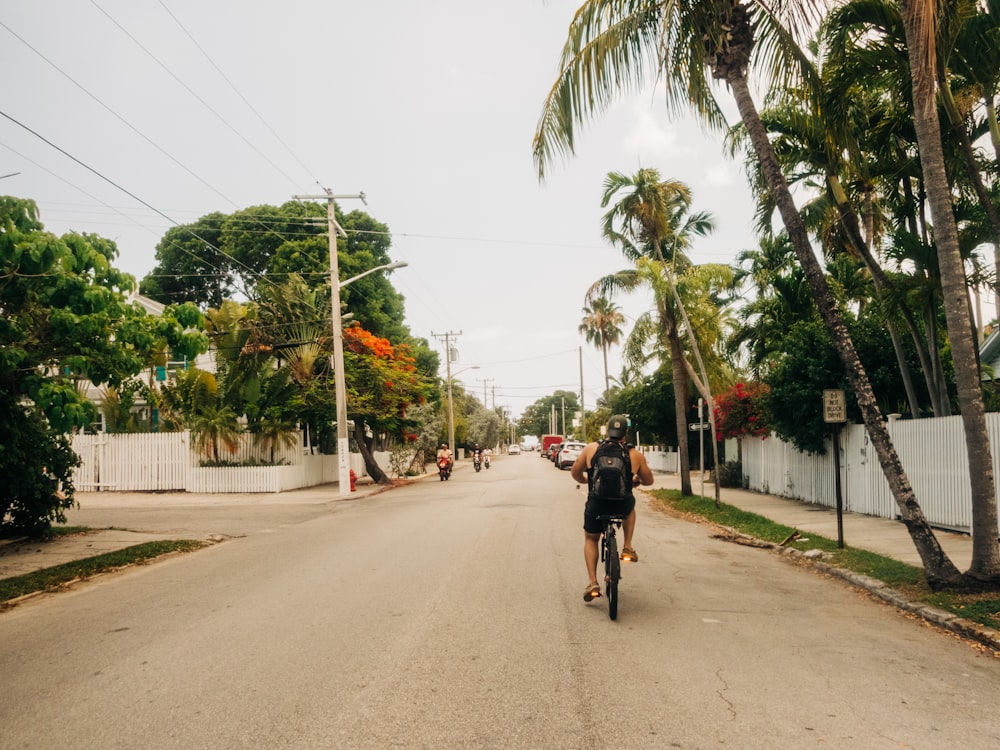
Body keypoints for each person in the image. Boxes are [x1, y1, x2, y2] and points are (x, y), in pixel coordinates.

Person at [570, 415, 654, 603]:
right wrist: (637, 479)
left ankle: (592, 582)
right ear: (625, 433)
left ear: (608, 431)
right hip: (621, 502)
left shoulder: (591, 449)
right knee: (630, 507)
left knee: (591, 538)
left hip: (596, 502)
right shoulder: (634, 454)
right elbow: (649, 481)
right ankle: (627, 546)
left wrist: (585, 480)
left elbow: (575, 471)